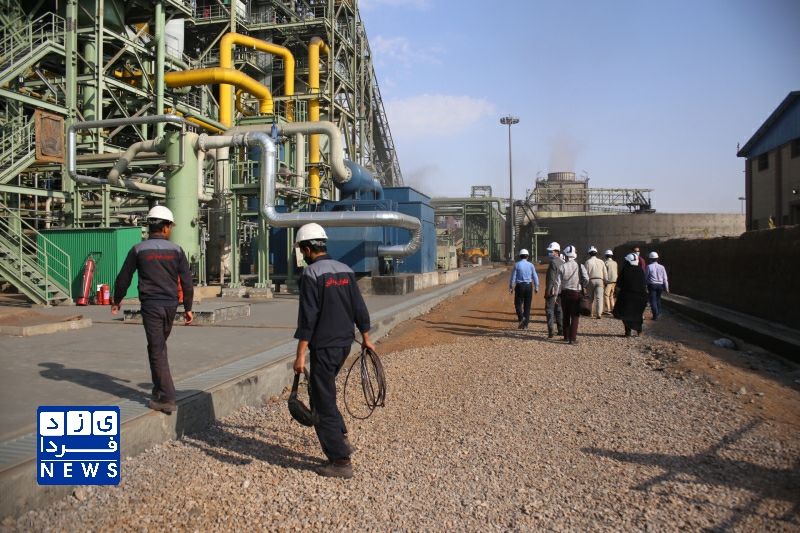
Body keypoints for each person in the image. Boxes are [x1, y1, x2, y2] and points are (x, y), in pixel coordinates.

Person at [293, 223, 373, 479]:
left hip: (324, 346)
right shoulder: (346, 270)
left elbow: (308, 318)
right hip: (344, 344)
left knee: (322, 402)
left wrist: (300, 354)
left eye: (302, 251)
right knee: (324, 391)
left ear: (307, 249)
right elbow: (359, 307)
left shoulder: (311, 274)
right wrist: (366, 338)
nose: (302, 255)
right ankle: (343, 439)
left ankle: (340, 460)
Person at [112, 206, 194, 413]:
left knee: (157, 349)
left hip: (151, 305)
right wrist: (188, 308)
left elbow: (124, 277)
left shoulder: (138, 249)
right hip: (171, 305)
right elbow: (187, 282)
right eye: (171, 227)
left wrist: (117, 299)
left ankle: (167, 398)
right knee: (158, 347)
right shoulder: (177, 251)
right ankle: (159, 388)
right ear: (165, 228)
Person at [553, 245, 588, 345]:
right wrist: (583, 285)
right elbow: (586, 278)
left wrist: (555, 295)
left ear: (566, 256)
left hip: (564, 293)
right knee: (575, 316)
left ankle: (566, 336)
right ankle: (572, 338)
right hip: (576, 293)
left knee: (566, 315)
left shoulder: (561, 267)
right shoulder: (580, 266)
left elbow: (557, 282)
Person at [613, 253, 648, 336]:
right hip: (640, 295)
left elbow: (619, 282)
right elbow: (643, 283)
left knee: (627, 313)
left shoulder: (626, 269)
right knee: (638, 313)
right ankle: (639, 330)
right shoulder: (640, 270)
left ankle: (628, 332)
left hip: (627, 295)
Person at [509, 248, 539, 329]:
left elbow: (513, 277)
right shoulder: (531, 265)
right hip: (529, 286)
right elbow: (535, 276)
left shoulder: (517, 265)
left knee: (518, 303)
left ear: (520, 256)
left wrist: (511, 287)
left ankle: (521, 317)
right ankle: (525, 325)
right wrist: (536, 287)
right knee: (527, 305)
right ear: (527, 257)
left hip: (520, 286)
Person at [543, 242, 564, 338]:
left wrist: (548, 290)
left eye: (551, 251)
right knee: (559, 310)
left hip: (552, 290)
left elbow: (551, 278)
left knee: (549, 310)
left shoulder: (553, 263)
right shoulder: (563, 262)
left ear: (556, 252)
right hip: (561, 290)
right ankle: (561, 329)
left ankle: (551, 331)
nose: (550, 253)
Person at [584, 246, 608, 319]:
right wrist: (606, 281)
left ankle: (591, 312)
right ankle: (599, 313)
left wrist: (584, 284)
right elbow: (605, 272)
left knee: (590, 298)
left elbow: (585, 274)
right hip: (600, 280)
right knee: (599, 297)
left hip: (591, 280)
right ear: (596, 253)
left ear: (589, 254)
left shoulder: (588, 262)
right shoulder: (601, 261)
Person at [645, 251, 669, 320]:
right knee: (658, 299)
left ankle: (655, 315)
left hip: (652, 285)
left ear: (650, 259)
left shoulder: (649, 267)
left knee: (653, 300)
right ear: (657, 259)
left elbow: (646, 277)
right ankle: (658, 313)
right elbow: (665, 278)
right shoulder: (662, 267)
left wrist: (645, 284)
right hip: (660, 285)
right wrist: (666, 287)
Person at [603, 250, 618, 315]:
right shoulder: (615, 263)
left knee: (606, 295)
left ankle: (608, 309)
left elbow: (605, 272)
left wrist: (604, 281)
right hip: (615, 280)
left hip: (609, 281)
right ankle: (613, 308)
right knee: (611, 295)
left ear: (606, 256)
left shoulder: (606, 263)